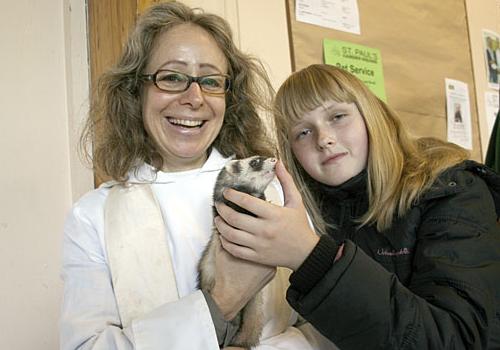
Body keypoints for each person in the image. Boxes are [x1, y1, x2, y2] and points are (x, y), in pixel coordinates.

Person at [60, 3, 319, 349]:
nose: (194, 98)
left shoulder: (271, 190)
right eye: (171, 77)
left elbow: (323, 330)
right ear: (136, 91)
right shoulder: (93, 217)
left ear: (230, 98)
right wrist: (222, 301)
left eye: (211, 81)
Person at [215, 64, 500, 349]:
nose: (324, 139)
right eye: (302, 132)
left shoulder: (453, 191)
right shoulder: (310, 214)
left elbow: (458, 340)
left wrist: (312, 257)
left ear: (369, 116)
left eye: (338, 117)